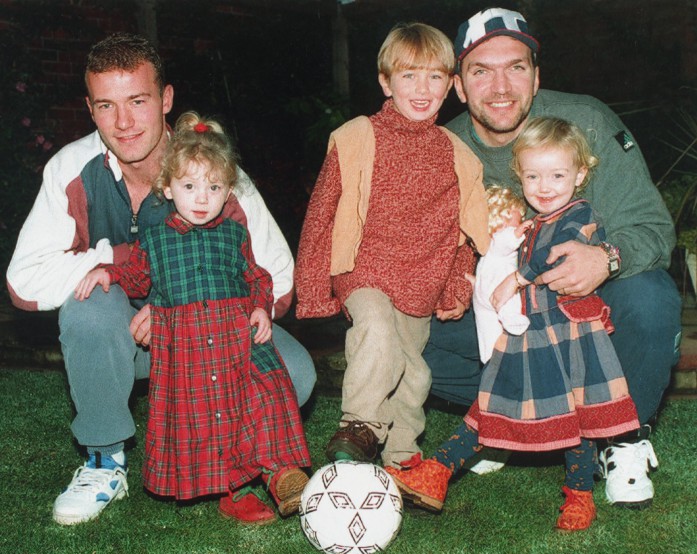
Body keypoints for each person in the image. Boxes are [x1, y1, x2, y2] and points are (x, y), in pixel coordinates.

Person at [5, 32, 316, 525]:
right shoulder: (71, 167)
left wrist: (182, 304)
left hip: (211, 323)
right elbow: (23, 282)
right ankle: (105, 456)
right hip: (120, 338)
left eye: (138, 101)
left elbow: (278, 275)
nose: (124, 123)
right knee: (90, 301)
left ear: (166, 99)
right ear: (90, 108)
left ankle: (239, 456)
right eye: (106, 106)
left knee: (296, 375)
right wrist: (114, 260)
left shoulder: (208, 166)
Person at [423, 7, 680, 508]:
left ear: (536, 77)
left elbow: (653, 227)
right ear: (458, 85)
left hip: (585, 314)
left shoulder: (583, 119)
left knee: (649, 296)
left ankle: (622, 439)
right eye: (481, 70)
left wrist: (604, 259)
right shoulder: (443, 147)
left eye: (515, 67)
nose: (500, 86)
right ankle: (510, 418)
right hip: (506, 314)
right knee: (410, 330)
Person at [389, 117, 641, 531]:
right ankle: (435, 472)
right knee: (492, 402)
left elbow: (558, 255)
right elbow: (503, 259)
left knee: (576, 416)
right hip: (529, 331)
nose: (545, 186)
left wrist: (517, 278)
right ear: (519, 175)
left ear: (580, 175)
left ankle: (580, 495)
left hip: (567, 332)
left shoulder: (579, 214)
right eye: (532, 176)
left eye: (557, 175)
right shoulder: (531, 222)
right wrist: (485, 282)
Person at [74, 111, 311, 524]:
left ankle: (280, 473)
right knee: (208, 420)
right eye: (189, 186)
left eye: (213, 187)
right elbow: (134, 276)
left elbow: (258, 276)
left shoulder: (235, 234)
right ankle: (230, 491)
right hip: (186, 348)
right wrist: (106, 272)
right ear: (168, 188)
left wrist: (260, 306)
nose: (202, 198)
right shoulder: (155, 239)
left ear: (227, 192)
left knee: (267, 394)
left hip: (235, 338)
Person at [294, 22, 489, 469]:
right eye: (408, 76)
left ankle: (402, 455)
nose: (421, 89)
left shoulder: (459, 155)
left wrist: (457, 288)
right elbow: (321, 215)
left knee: (412, 372)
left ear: (452, 86)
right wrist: (312, 286)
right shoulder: (356, 137)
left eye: (434, 77)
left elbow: (466, 233)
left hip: (422, 278)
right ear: (386, 82)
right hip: (363, 269)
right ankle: (358, 425)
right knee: (376, 329)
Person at [470, 185, 530, 364]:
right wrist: (520, 231)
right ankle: (512, 319)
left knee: (486, 324)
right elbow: (507, 239)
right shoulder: (501, 240)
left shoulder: (485, 247)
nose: (518, 225)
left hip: (483, 285)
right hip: (498, 284)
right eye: (517, 221)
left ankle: (487, 353)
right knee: (508, 299)